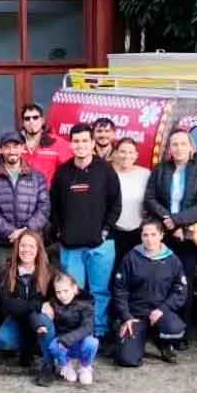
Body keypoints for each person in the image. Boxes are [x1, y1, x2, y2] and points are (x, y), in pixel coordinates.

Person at [49, 123, 121, 342]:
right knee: (72, 294)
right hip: (71, 247)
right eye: (76, 141)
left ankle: (98, 333)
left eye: (84, 141)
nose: (80, 145)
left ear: (92, 143)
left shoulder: (105, 170)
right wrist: (60, 232)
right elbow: (54, 207)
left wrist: (106, 230)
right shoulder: (62, 172)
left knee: (100, 292)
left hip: (101, 245)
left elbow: (115, 203)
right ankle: (74, 335)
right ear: (71, 144)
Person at [144, 128, 197, 348]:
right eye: (174, 144)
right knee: (159, 284)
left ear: (191, 148)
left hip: (188, 236)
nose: (179, 148)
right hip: (163, 235)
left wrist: (179, 221)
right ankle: (159, 331)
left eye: (183, 144)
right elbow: (150, 198)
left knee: (183, 285)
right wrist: (168, 220)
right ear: (169, 149)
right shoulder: (160, 170)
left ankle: (181, 333)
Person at [113, 219, 188, 366]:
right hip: (136, 314)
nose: (149, 239)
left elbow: (180, 290)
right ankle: (134, 340)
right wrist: (126, 317)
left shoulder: (172, 259)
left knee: (175, 329)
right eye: (145, 235)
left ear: (161, 235)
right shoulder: (132, 257)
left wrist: (163, 309)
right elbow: (120, 290)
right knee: (126, 360)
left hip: (159, 313)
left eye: (153, 234)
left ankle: (163, 343)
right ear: (141, 236)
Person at [0, 132, 50, 275]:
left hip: (32, 244)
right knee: (5, 284)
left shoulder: (37, 177)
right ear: (0, 150)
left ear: (23, 148)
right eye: (7, 147)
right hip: (3, 243)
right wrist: (11, 232)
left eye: (16, 146)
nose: (12, 151)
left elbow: (44, 208)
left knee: (35, 283)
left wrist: (26, 232)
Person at [0, 230, 52, 367]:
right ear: (17, 248)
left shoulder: (49, 271)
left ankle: (40, 351)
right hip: (17, 319)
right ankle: (24, 347)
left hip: (40, 321)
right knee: (3, 340)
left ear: (38, 250)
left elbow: (59, 295)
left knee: (42, 318)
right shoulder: (7, 271)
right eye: (23, 245)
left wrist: (48, 306)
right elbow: (7, 304)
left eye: (31, 246)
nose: (26, 250)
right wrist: (38, 306)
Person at [33, 272, 97, 386]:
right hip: (63, 344)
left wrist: (67, 340)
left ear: (75, 289)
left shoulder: (86, 305)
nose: (62, 295)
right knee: (53, 346)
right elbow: (38, 312)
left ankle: (85, 366)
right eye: (58, 292)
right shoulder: (54, 303)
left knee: (92, 343)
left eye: (66, 291)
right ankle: (66, 365)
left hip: (79, 341)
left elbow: (87, 327)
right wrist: (39, 324)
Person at [112, 138, 152, 267]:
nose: (126, 156)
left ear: (136, 155)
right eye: (122, 152)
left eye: (130, 152)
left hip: (138, 232)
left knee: (136, 269)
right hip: (114, 232)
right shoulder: (110, 175)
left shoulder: (145, 174)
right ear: (116, 153)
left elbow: (152, 201)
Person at [19, 103, 71, 185]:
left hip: (48, 195)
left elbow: (68, 173)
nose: (31, 121)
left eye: (35, 117)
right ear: (23, 123)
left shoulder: (57, 144)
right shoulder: (16, 144)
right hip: (22, 195)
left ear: (42, 121)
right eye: (27, 118)